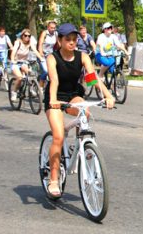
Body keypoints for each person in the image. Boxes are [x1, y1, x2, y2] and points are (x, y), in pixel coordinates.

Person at [43, 23, 114, 198]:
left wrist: (107, 95)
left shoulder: (82, 57)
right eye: (68, 39)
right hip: (56, 96)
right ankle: (53, 178)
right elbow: (54, 80)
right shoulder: (53, 58)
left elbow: (92, 79)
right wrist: (53, 101)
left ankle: (80, 143)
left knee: (86, 113)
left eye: (75, 39)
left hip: (73, 94)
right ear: (59, 40)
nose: (72, 42)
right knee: (58, 136)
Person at [7, 27, 43, 103]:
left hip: (23, 63)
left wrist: (41, 58)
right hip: (16, 63)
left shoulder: (30, 43)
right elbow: (13, 52)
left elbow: (35, 50)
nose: (27, 37)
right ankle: (14, 92)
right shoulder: (18, 42)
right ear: (22, 36)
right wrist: (13, 60)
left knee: (31, 74)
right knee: (19, 77)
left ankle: (31, 89)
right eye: (25, 35)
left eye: (29, 36)